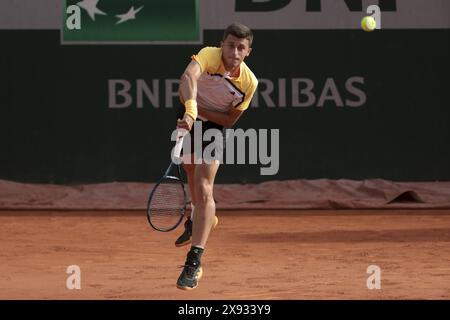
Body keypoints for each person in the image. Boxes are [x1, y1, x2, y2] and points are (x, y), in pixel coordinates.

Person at [174, 22, 258, 290]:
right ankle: (200, 215)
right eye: (231, 45)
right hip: (191, 110)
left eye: (240, 48)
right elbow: (187, 79)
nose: (234, 51)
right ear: (222, 44)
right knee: (188, 166)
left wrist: (200, 114)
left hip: (215, 126)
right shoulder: (209, 55)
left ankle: (194, 261)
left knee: (204, 185)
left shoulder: (249, 82)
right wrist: (190, 110)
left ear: (248, 52)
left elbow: (229, 120)